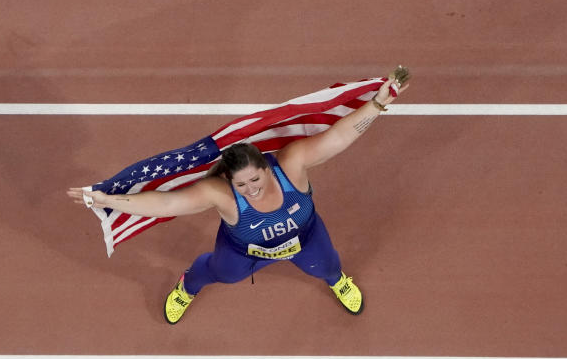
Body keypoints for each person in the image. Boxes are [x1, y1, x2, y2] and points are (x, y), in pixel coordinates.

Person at [68, 67, 410, 324]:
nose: (250, 189)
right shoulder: (222, 194)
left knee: (328, 265)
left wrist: (378, 104)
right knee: (218, 273)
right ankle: (187, 286)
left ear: (265, 165)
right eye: (241, 185)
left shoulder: (291, 164)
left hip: (305, 238)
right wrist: (107, 201)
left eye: (254, 180)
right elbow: (167, 203)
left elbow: (339, 137)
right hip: (241, 251)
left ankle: (337, 281)